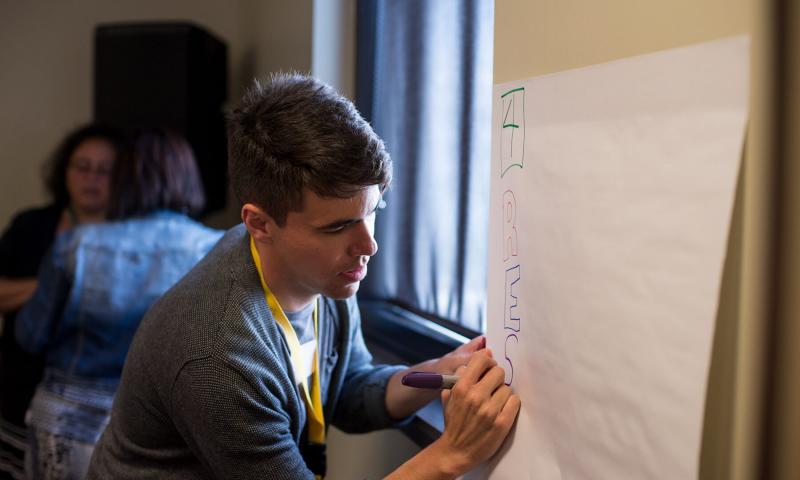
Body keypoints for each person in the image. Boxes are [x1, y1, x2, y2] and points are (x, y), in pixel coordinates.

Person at [88, 73, 520, 480]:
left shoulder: (325, 271)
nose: (368, 246)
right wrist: (452, 455)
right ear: (259, 224)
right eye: (336, 227)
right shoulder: (216, 354)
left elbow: (348, 390)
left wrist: (437, 371)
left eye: (373, 213)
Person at [15, 129, 223, 480]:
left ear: (127, 180)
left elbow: (30, 336)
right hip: (163, 432)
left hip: (67, 422)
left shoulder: (77, 245)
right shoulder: (216, 250)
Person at [0, 124, 124, 480]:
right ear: (64, 171)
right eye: (82, 166)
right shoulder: (31, 225)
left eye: (105, 170)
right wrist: (51, 285)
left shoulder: (132, 238)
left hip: (98, 411)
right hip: (21, 388)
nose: (92, 179)